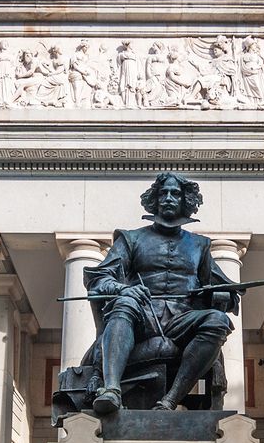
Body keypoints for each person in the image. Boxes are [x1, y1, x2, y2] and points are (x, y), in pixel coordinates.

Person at [83, 173, 237, 413]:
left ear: (186, 200)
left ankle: (171, 400)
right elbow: (98, 279)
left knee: (218, 320)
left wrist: (224, 294)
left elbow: (223, 289)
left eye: (175, 193)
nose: (168, 198)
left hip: (182, 321)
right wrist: (125, 289)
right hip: (141, 317)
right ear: (154, 199)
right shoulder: (130, 239)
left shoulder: (200, 245)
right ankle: (111, 391)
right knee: (124, 303)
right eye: (163, 193)